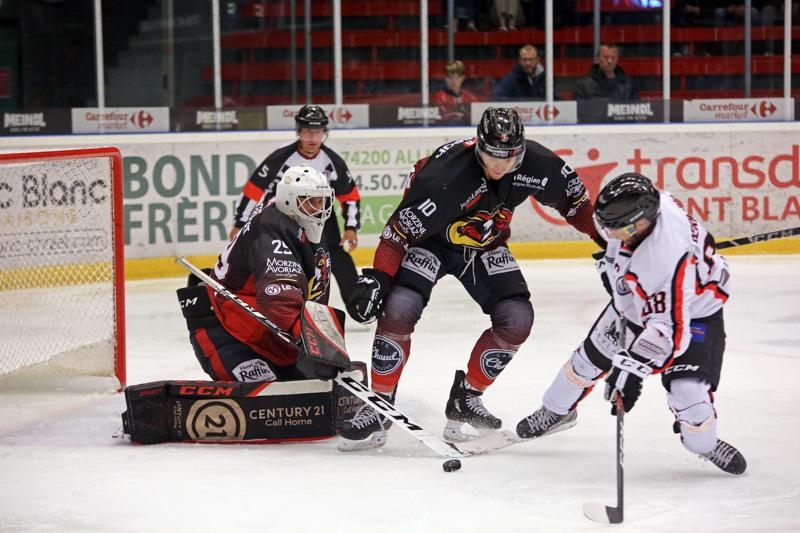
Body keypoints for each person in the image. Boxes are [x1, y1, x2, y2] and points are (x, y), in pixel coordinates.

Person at [337, 107, 604, 451]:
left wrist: (612, 241)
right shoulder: (444, 178)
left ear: (521, 151)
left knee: (517, 319)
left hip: (484, 244)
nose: (499, 167)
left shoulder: (539, 164)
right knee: (399, 308)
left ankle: (468, 396)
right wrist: (377, 279)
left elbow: (578, 206)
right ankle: (379, 405)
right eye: (491, 157)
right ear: (478, 147)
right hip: (430, 244)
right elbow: (396, 233)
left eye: (508, 159)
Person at [515, 173, 747, 475]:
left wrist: (632, 368)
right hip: (644, 301)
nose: (611, 236)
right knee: (586, 361)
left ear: (641, 222)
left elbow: (668, 330)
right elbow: (627, 249)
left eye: (617, 231)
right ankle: (555, 412)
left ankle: (705, 443)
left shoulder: (664, 261)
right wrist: (614, 271)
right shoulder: (654, 204)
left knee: (688, 393)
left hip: (694, 312)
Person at [183, 165, 341, 382]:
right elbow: (277, 296)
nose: (317, 208)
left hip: (271, 340)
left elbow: (315, 295)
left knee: (308, 399)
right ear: (289, 199)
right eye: (309, 200)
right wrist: (312, 341)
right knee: (270, 402)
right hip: (227, 331)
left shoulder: (306, 225)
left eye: (321, 200)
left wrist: (325, 346)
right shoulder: (271, 226)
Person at [229, 104, 362, 318]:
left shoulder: (332, 161)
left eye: (317, 132)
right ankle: (271, 304)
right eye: (308, 131)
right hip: (282, 217)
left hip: (320, 217)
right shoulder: (280, 157)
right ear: (299, 133)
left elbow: (350, 196)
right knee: (279, 259)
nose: (312, 138)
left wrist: (351, 227)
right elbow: (254, 188)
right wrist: (240, 223)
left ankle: (360, 307)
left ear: (324, 134)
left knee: (336, 257)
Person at [573, 43, 639, 101]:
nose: (609, 61)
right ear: (598, 59)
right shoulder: (583, 86)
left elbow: (636, 111)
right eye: (605, 57)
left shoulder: (628, 85)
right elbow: (579, 112)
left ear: (617, 60)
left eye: (613, 58)